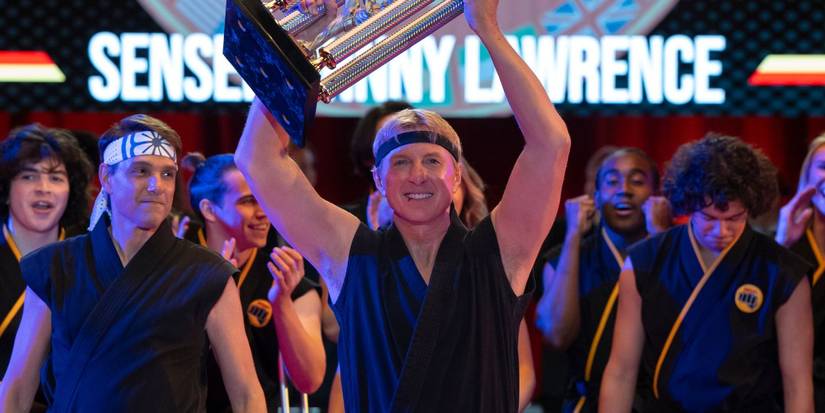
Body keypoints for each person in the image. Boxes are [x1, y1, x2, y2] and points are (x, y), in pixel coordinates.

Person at [234, 0, 571, 409]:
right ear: (377, 179)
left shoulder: (499, 254)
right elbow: (258, 160)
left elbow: (550, 144)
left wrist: (487, 29)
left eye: (433, 160)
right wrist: (298, 43)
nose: (417, 175)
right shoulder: (351, 255)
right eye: (400, 163)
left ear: (457, 175)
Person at [0, 115, 266, 412]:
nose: (157, 186)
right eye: (141, 171)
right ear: (106, 177)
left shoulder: (208, 274)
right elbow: (18, 387)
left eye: (167, 174)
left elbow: (246, 394)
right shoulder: (54, 267)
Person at [600, 135, 813, 412]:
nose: (721, 232)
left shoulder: (784, 272)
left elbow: (797, 382)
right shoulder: (645, 261)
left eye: (734, 219)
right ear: (689, 205)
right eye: (709, 218)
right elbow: (620, 372)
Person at [365, 156, 537, 411]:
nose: (427, 185)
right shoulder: (367, 265)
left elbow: (523, 370)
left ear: (462, 185)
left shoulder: (490, 264)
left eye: (443, 176)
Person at [182, 153, 325, 412]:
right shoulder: (180, 268)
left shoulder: (284, 276)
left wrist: (281, 303)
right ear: (209, 209)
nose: (263, 213)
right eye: (248, 201)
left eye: (264, 199)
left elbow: (310, 380)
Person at [536, 148, 669, 413]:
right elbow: (556, 335)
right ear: (595, 197)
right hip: (586, 404)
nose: (625, 190)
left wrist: (661, 237)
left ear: (656, 197)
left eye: (638, 181)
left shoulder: (676, 254)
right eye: (612, 182)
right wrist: (573, 235)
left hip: (659, 403)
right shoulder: (564, 257)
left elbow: (678, 333)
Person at [0, 125, 93, 391]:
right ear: (6, 189)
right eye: (29, 177)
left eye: (56, 177)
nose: (43, 188)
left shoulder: (90, 257)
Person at [774, 133, 825, 411]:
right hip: (787, 393)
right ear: (807, 176)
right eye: (823, 167)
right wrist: (782, 243)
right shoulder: (784, 240)